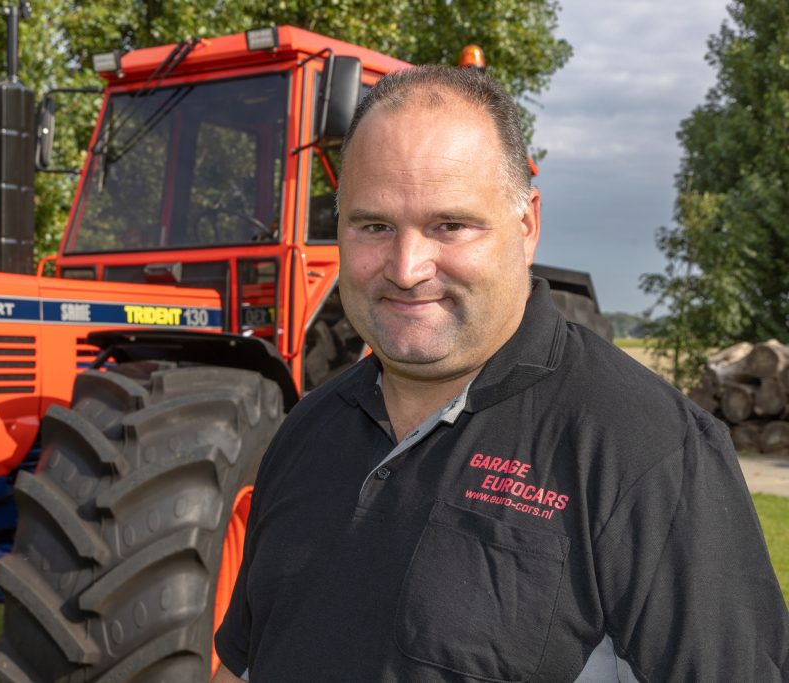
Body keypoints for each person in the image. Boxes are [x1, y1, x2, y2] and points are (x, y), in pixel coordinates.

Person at [213, 65, 788, 682]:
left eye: (450, 225)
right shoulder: (305, 433)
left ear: (526, 225)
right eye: (374, 225)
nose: (407, 268)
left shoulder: (651, 454)